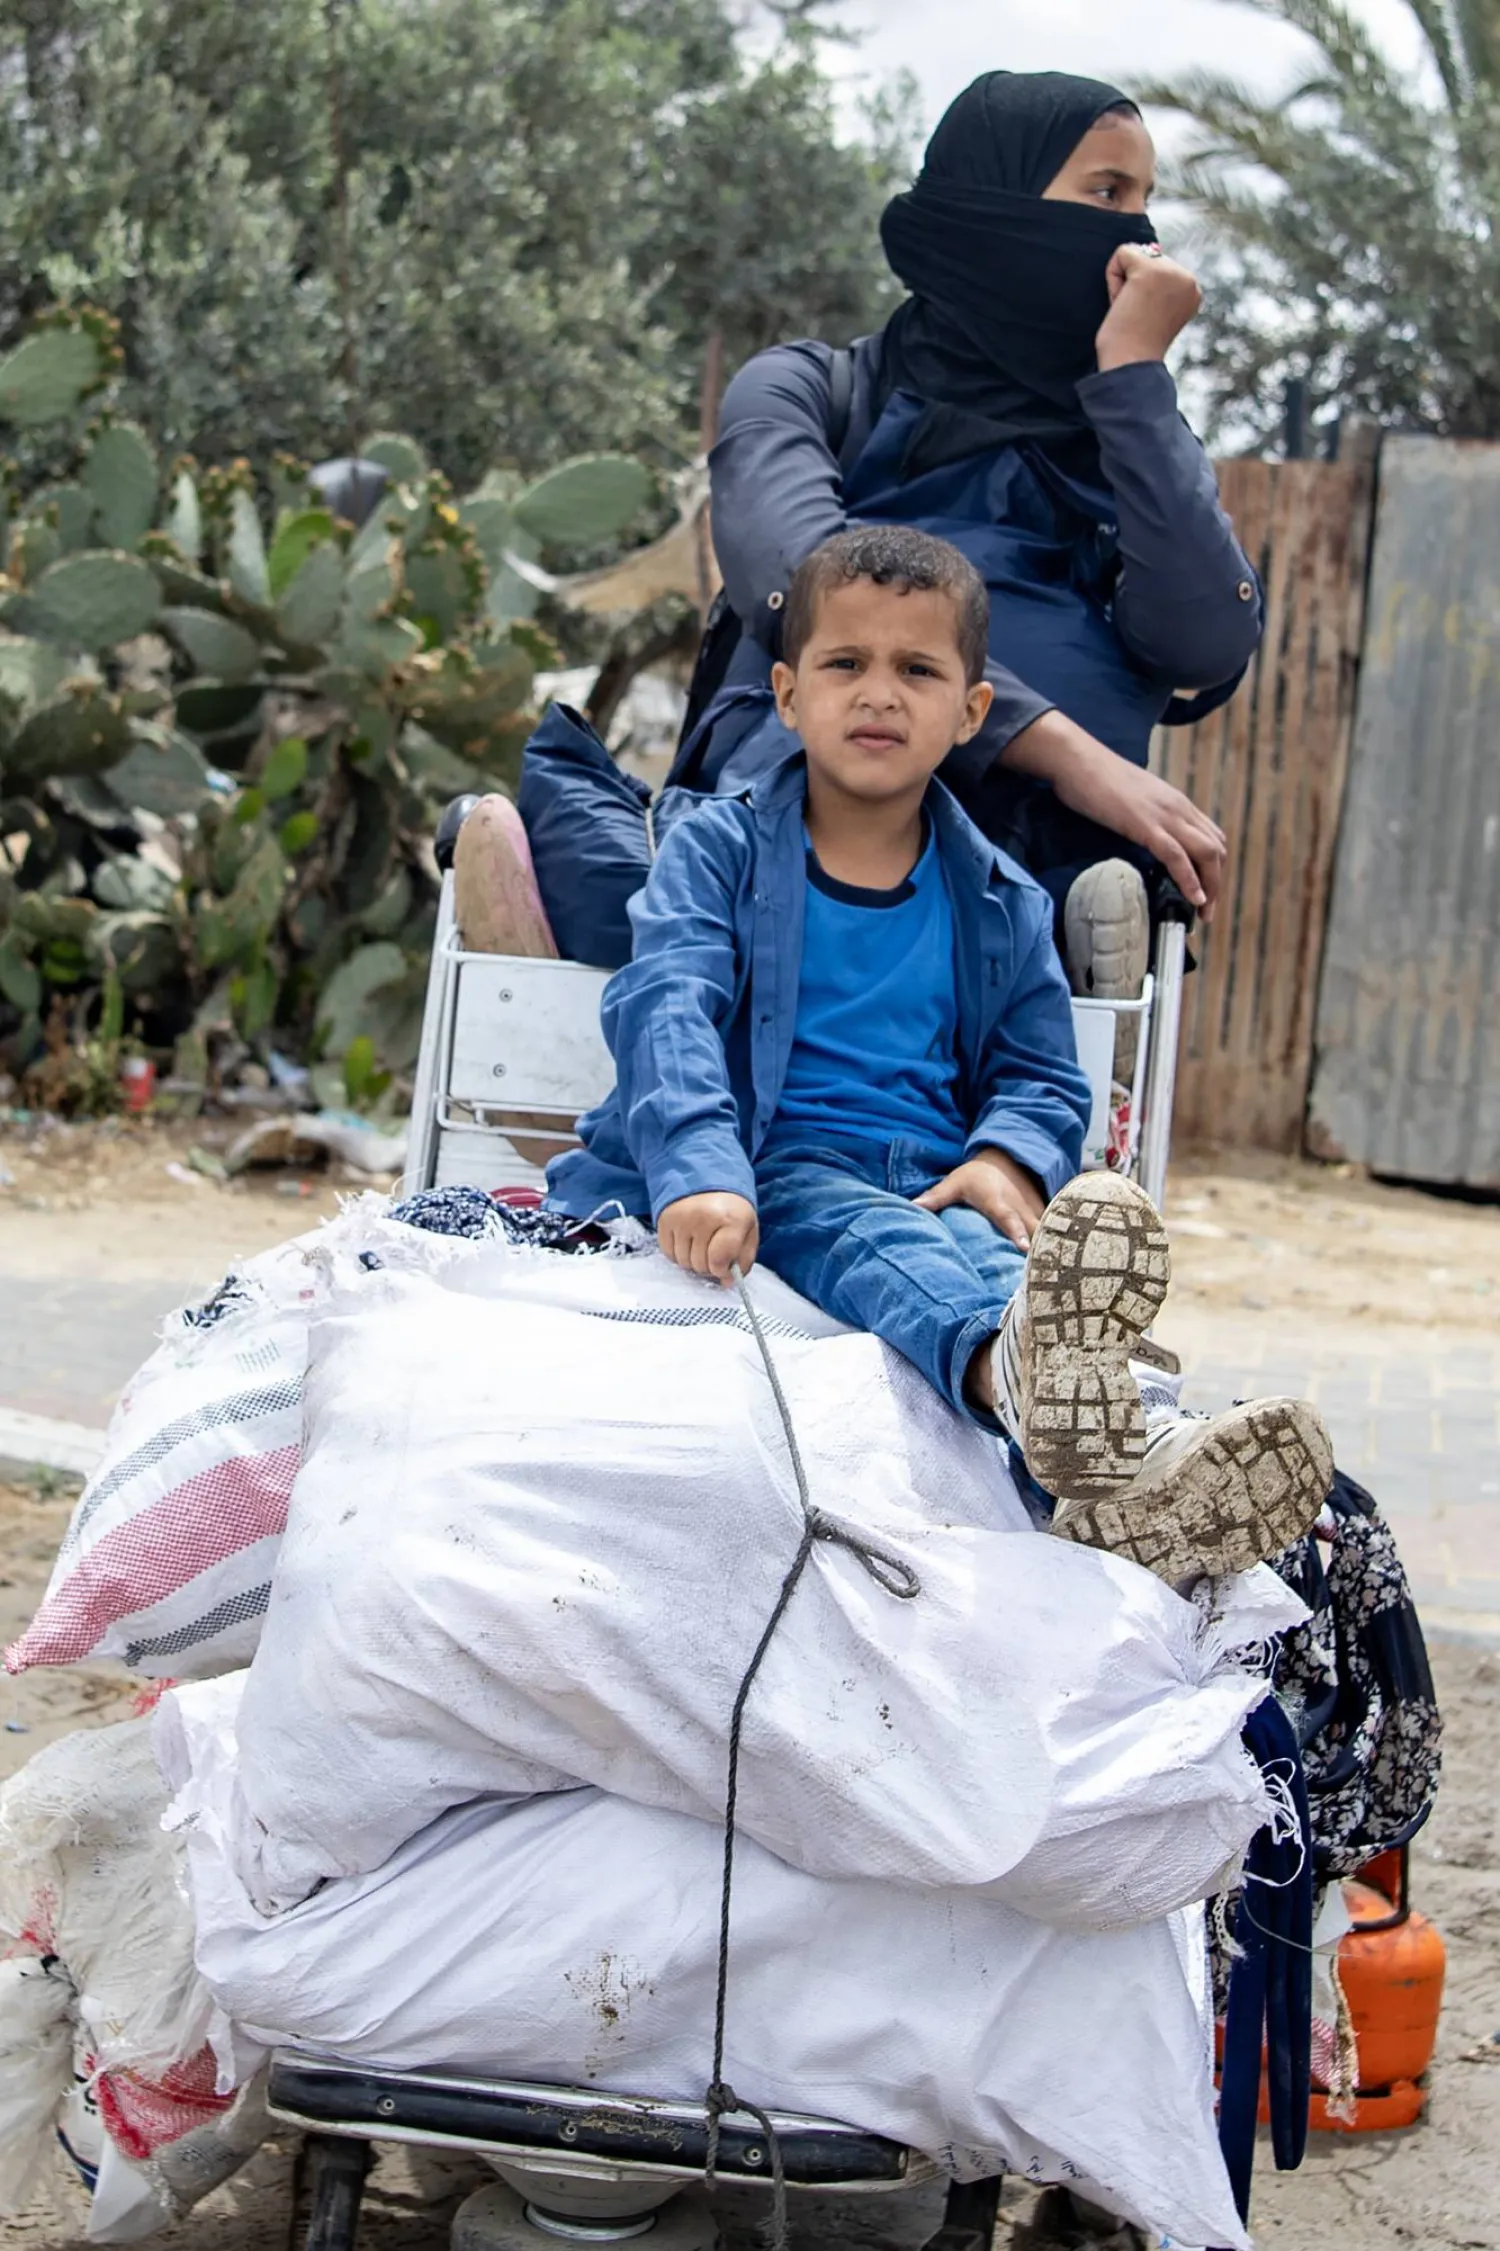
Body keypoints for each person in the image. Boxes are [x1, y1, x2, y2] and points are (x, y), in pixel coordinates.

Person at [549, 526, 1330, 1585]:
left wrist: (1006, 1158)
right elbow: (667, 1006)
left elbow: (1042, 1072)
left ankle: (1142, 1458)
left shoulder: (1001, 896)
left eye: (917, 669)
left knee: (1011, 1263)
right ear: (787, 695)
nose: (880, 693)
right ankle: (1022, 1381)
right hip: (771, 1168)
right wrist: (699, 1170)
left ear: (969, 712)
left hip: (931, 1173)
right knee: (887, 1247)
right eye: (845, 664)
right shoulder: (717, 851)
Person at [682, 68, 1259, 1044]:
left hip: (1039, 828)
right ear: (992, 210)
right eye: (1106, 195)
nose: (1138, 242)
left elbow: (1204, 642)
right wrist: (1065, 750)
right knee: (755, 826)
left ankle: (1057, 948)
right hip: (811, 787)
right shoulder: (808, 394)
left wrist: (1134, 387)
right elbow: (813, 594)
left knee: (1048, 873)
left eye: (1147, 205)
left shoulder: (1131, 443)